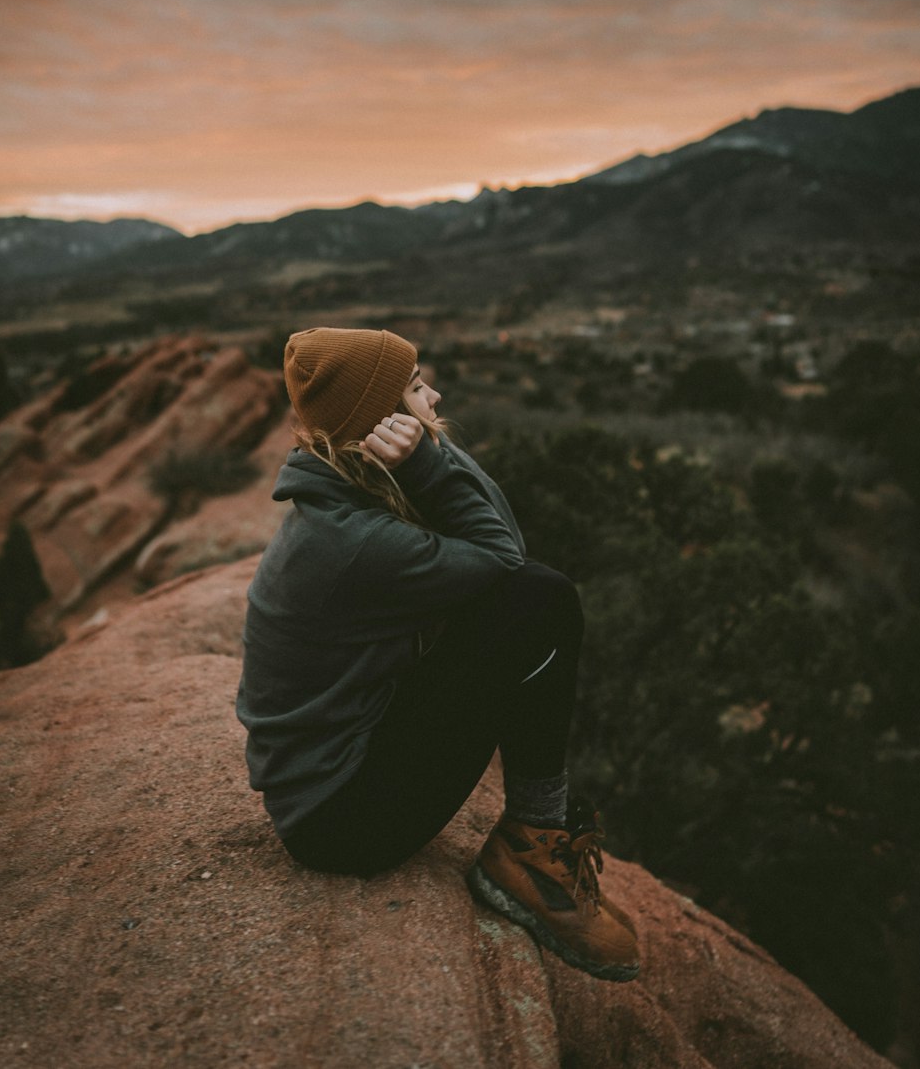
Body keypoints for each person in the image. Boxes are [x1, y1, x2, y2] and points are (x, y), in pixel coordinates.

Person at [236, 326, 640, 982]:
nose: (436, 394)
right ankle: (531, 850)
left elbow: (501, 545)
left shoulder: (341, 498)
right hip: (345, 817)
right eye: (418, 388)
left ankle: (536, 838)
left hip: (330, 789)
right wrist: (428, 461)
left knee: (523, 598)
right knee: (541, 599)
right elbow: (511, 564)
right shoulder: (355, 541)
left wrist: (430, 455)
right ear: (383, 423)